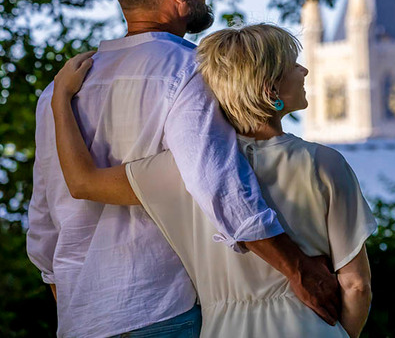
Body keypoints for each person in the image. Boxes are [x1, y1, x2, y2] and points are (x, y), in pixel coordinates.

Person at [26, 0, 340, 337]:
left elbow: (44, 215)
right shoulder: (188, 71)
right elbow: (217, 179)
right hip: (162, 310)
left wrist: (73, 298)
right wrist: (298, 268)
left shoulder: (60, 89)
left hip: (80, 319)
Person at [51, 25, 375, 338]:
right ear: (270, 90)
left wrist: (60, 100)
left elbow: (83, 182)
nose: (304, 70)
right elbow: (356, 286)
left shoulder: (180, 172)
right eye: (292, 65)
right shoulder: (323, 164)